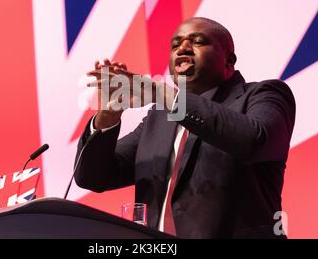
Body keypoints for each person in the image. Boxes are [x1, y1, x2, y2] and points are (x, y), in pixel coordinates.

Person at [74, 17, 296, 238]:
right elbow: (93, 177)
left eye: (197, 41)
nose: (183, 48)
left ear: (230, 59)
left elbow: (254, 141)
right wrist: (107, 115)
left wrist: (163, 94)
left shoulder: (265, 95)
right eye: (175, 45)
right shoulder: (158, 118)